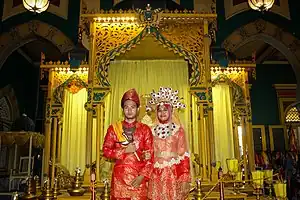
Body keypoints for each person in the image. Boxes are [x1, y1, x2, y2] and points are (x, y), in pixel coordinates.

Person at [102, 88, 154, 200]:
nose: (129, 110)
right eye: (126, 107)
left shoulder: (145, 130)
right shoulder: (114, 129)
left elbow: (150, 156)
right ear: (122, 109)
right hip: (119, 179)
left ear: (138, 109)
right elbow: (106, 151)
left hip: (138, 179)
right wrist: (124, 150)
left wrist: (142, 176)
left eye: (133, 107)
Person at [146, 87, 191, 200]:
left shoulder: (178, 130)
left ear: (171, 111)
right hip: (155, 174)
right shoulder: (150, 131)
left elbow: (183, 155)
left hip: (173, 175)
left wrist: (184, 178)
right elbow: (147, 152)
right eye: (159, 110)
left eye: (165, 110)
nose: (162, 113)